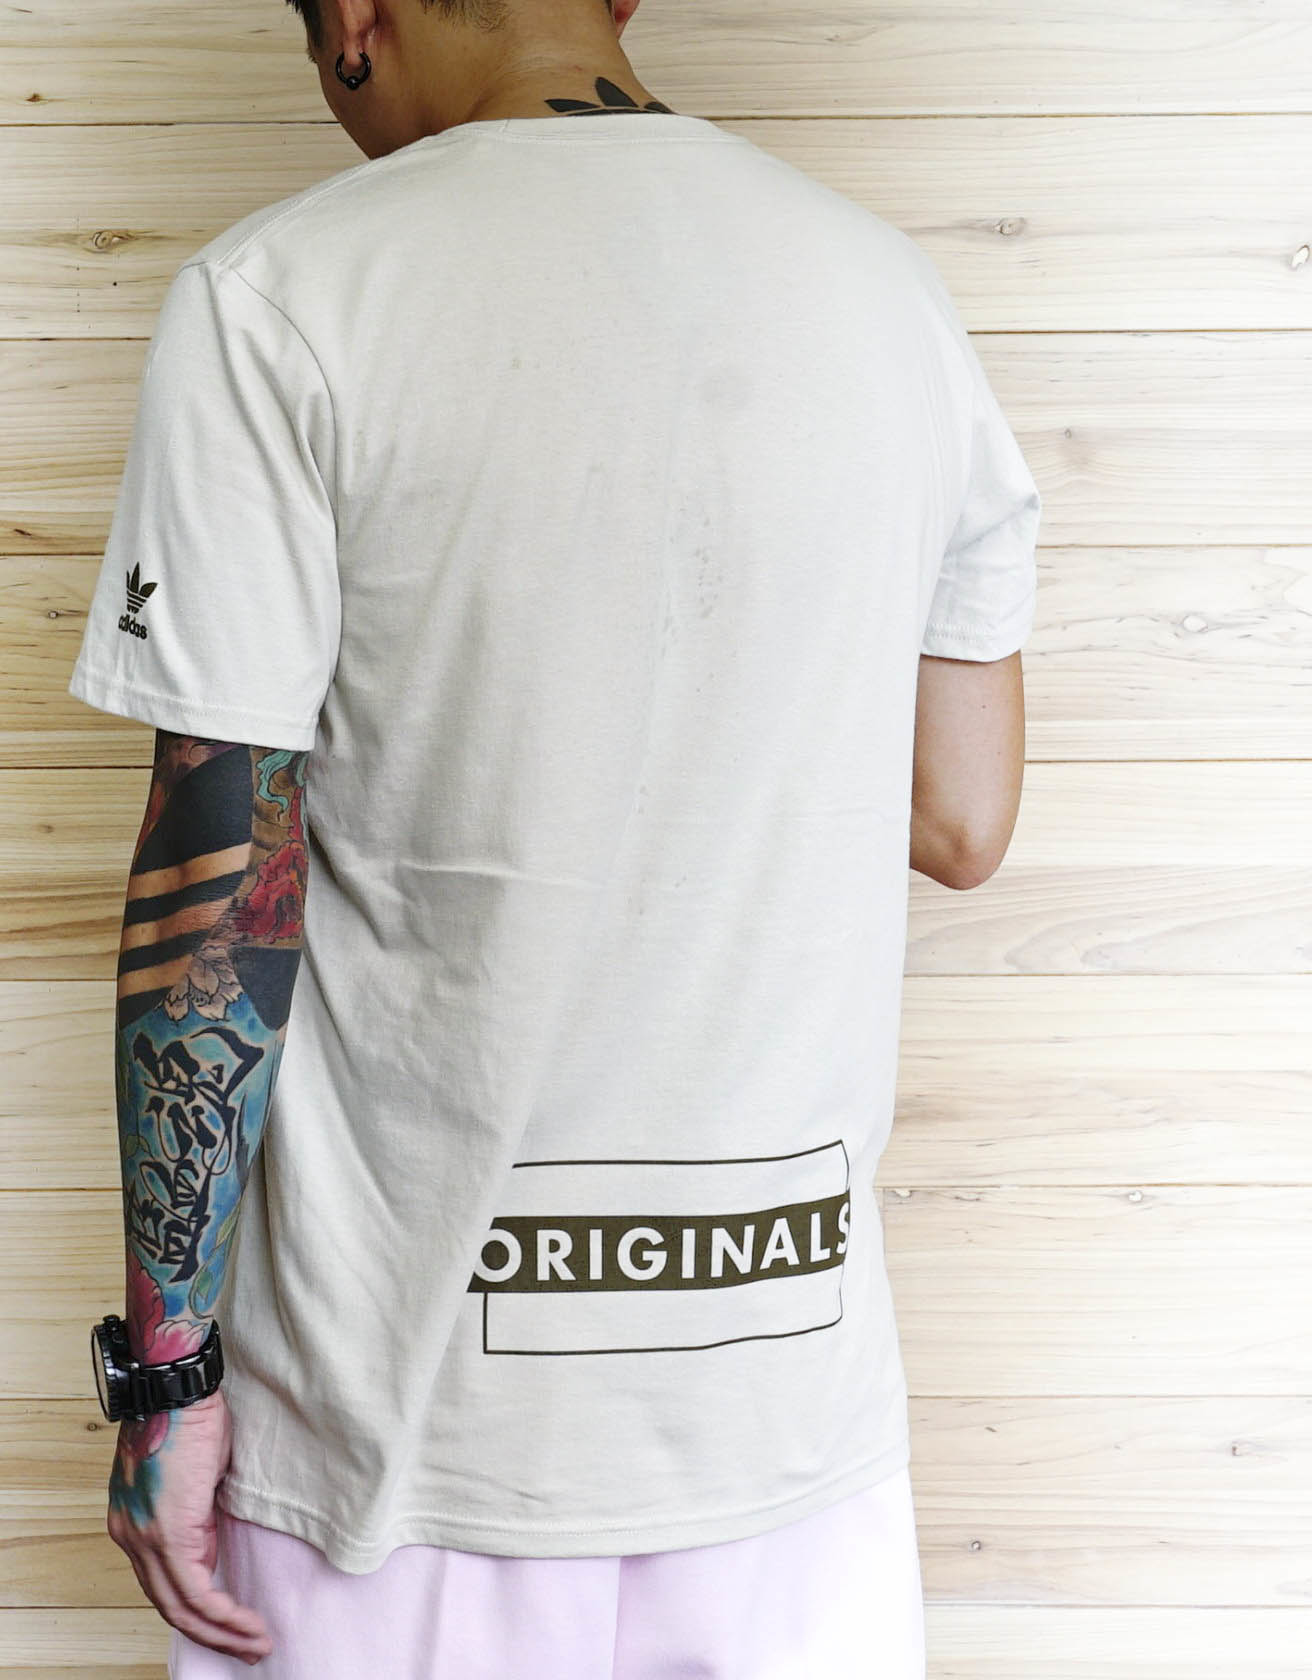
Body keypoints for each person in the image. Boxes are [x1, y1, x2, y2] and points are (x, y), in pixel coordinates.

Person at [65, 0, 1041, 1672]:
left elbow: (220, 869)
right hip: (783, 1418)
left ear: (353, 21)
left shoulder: (283, 299)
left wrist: (166, 1375)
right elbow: (963, 816)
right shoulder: (890, 297)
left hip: (413, 1442)